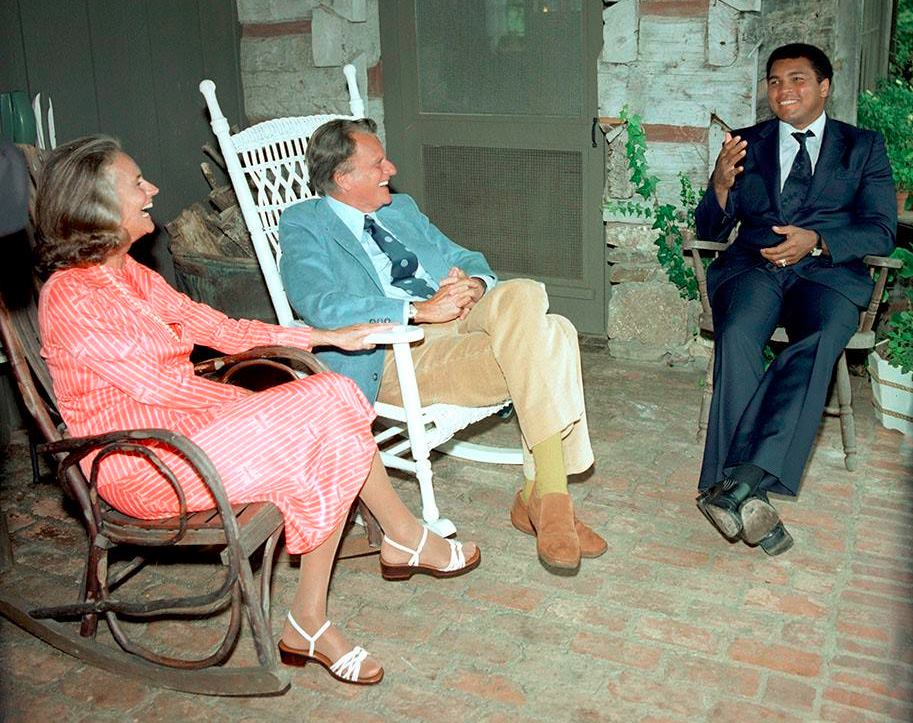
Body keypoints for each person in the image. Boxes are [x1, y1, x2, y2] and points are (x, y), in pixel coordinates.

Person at [35, 135, 481, 686]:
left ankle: (325, 606)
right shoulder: (73, 296)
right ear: (97, 206)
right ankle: (379, 559)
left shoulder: (131, 275)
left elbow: (221, 330)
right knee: (328, 407)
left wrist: (329, 336)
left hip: (187, 433)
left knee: (329, 407)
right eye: (136, 183)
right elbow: (157, 390)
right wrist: (264, 409)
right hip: (143, 461)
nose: (152, 189)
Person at [278, 118, 606, 573]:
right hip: (398, 351)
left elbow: (463, 256)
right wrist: (417, 309)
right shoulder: (304, 224)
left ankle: (543, 499)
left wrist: (473, 283)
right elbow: (319, 303)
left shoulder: (401, 208)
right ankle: (546, 498)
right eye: (377, 164)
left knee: (525, 293)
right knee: (556, 336)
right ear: (343, 178)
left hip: (459, 318)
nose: (391, 168)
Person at [694, 43, 896, 555]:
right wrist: (719, 186)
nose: (785, 90)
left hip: (826, 273)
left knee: (825, 336)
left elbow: (881, 230)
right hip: (754, 269)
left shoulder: (862, 147)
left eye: (798, 79)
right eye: (776, 81)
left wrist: (820, 241)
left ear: (824, 86)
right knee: (738, 332)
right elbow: (711, 228)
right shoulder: (746, 143)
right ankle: (748, 489)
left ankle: (736, 484)